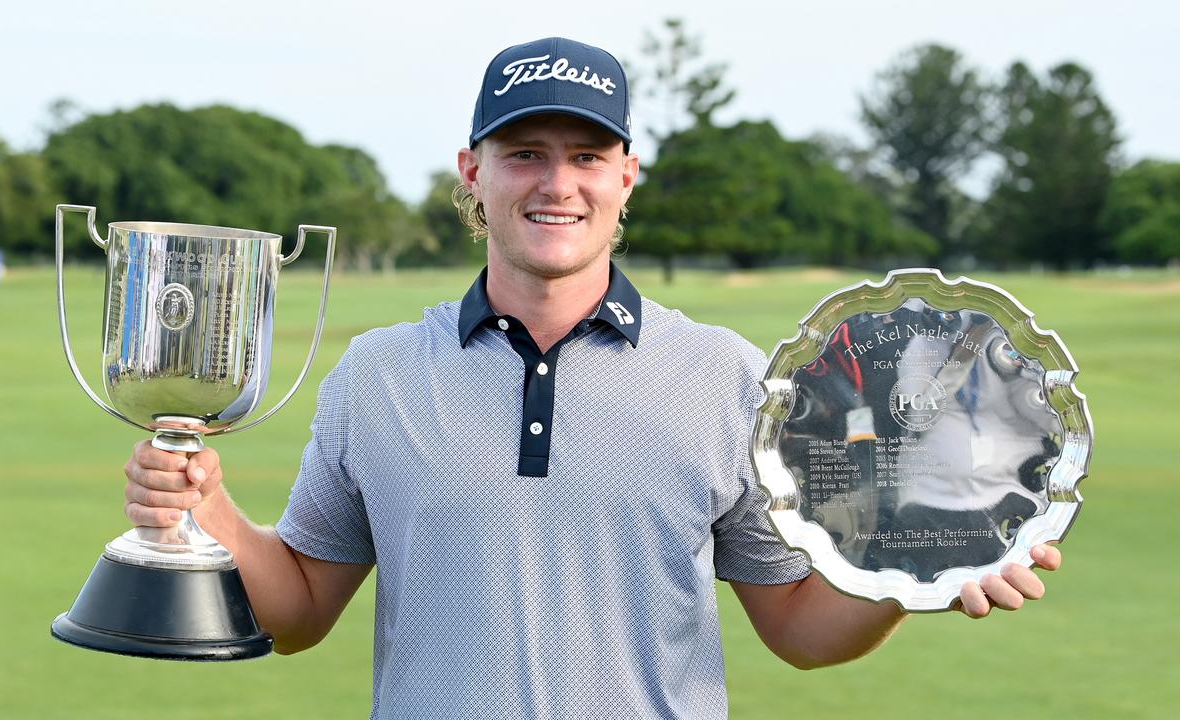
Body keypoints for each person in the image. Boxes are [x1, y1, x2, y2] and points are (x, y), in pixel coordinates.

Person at [124, 37, 1060, 719]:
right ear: (472, 171)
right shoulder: (377, 376)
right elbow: (295, 615)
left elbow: (800, 633)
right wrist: (209, 510)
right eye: (524, 153)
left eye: (586, 156)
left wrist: (913, 566)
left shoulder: (722, 375)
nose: (555, 183)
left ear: (626, 175)